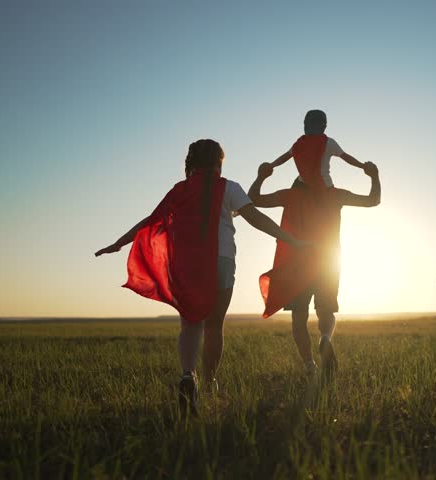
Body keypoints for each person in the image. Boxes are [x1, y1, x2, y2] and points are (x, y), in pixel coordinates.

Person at [95, 139, 307, 414]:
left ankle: (187, 376)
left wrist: (119, 242)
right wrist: (293, 240)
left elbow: (150, 220)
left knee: (191, 325)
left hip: (187, 265)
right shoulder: (229, 187)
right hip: (221, 261)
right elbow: (257, 219)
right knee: (214, 326)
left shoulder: (179, 190)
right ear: (219, 162)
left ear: (191, 163)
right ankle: (209, 384)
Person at [249, 160, 381, 379]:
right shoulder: (335, 195)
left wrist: (262, 176)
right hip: (328, 261)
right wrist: (374, 175)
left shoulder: (289, 195)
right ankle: (326, 338)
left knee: (299, 317)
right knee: (326, 311)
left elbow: (254, 199)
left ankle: (309, 365)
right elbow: (372, 200)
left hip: (296, 265)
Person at [267, 109, 366, 192]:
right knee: (293, 201)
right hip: (303, 185)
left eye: (308, 123)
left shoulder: (328, 143)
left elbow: (346, 157)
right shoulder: (300, 143)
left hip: (323, 186)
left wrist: (362, 166)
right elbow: (286, 156)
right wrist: (271, 165)